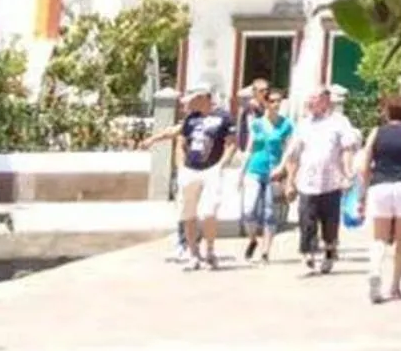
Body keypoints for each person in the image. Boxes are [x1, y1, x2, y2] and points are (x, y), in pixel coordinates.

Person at [148, 85, 235, 271]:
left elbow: (231, 144)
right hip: (190, 169)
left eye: (194, 99)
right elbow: (178, 135)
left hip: (211, 169)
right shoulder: (191, 119)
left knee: (209, 212)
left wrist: (221, 164)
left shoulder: (223, 117)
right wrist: (154, 140)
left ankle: (210, 249)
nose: (190, 104)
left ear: (204, 98)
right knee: (188, 213)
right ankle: (193, 253)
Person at [282, 86, 361, 276]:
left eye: (314, 98)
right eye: (309, 99)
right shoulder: (303, 124)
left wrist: (348, 173)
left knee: (330, 222)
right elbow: (293, 154)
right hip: (307, 182)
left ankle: (329, 252)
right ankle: (308, 253)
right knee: (306, 219)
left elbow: (347, 148)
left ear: (326, 100)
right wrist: (289, 181)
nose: (310, 102)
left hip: (331, 181)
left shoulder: (339, 122)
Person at [359, 93, 401, 305]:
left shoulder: (376, 133)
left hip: (380, 185)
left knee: (379, 238)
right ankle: (395, 286)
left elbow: (363, 166)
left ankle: (375, 270)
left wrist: (363, 194)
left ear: (386, 112)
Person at [241, 89, 294, 263]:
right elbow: (249, 148)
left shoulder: (286, 124)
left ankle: (265, 251)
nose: (276, 104)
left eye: (279, 101)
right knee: (249, 210)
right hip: (255, 169)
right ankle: (252, 240)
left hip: (274, 172)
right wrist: (241, 173)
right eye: (272, 101)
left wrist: (283, 169)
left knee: (269, 212)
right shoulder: (256, 124)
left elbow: (289, 149)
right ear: (265, 103)